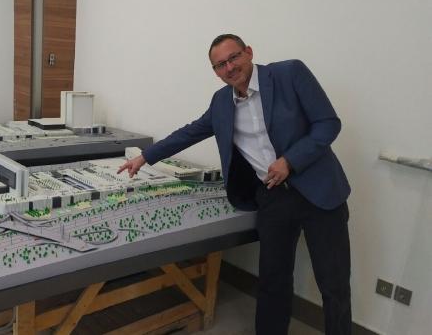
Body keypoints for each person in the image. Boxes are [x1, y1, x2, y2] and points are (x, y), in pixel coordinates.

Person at [117, 34, 351, 335]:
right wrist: (145, 157)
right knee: (272, 281)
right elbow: (190, 132)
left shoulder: (289, 73)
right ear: (215, 72)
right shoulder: (221, 102)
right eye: (220, 65)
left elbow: (328, 123)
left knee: (333, 284)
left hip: (320, 192)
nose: (229, 68)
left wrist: (290, 161)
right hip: (273, 197)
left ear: (249, 52)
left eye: (234, 58)